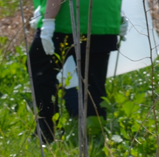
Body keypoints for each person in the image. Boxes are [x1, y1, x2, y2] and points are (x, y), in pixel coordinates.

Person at [28, 0, 126, 143]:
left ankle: (47, 131)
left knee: (40, 72)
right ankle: (95, 136)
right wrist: (120, 13)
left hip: (67, 20)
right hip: (103, 19)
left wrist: (48, 20)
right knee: (94, 83)